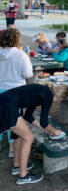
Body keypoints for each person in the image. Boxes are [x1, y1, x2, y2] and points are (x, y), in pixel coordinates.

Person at [0, 83, 68, 184]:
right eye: (61, 100)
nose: (59, 103)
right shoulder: (48, 95)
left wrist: (46, 129)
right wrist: (55, 131)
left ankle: (17, 166)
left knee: (19, 136)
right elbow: (44, 122)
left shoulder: (42, 90)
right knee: (28, 138)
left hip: (6, 102)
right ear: (59, 95)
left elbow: (28, 116)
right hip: (8, 106)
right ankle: (23, 176)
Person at [0, 28, 33, 158]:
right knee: (13, 120)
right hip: (15, 91)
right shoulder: (20, 55)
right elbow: (28, 74)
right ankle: (12, 149)